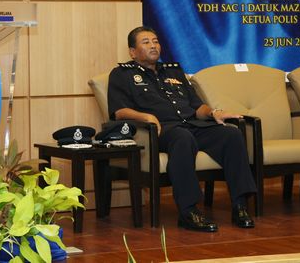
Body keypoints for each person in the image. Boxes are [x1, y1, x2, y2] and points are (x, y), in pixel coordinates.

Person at [107, 26, 256, 231]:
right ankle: (188, 211)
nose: (153, 45)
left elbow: (197, 106)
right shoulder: (121, 74)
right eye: (146, 42)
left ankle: (240, 206)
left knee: (231, 134)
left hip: (191, 124)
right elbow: (119, 111)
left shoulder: (174, 71)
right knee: (182, 138)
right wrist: (146, 116)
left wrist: (214, 113)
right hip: (160, 131)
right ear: (132, 52)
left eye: (156, 41)